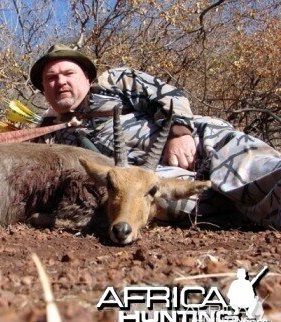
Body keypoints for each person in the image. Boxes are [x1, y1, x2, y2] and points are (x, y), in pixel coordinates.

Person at [29, 44, 281, 226]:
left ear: (86, 76)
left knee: (254, 173)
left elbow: (169, 96)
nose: (60, 81)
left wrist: (179, 133)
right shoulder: (48, 135)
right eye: (50, 78)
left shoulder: (114, 83)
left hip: (200, 142)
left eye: (68, 73)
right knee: (215, 207)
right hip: (150, 182)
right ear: (44, 90)